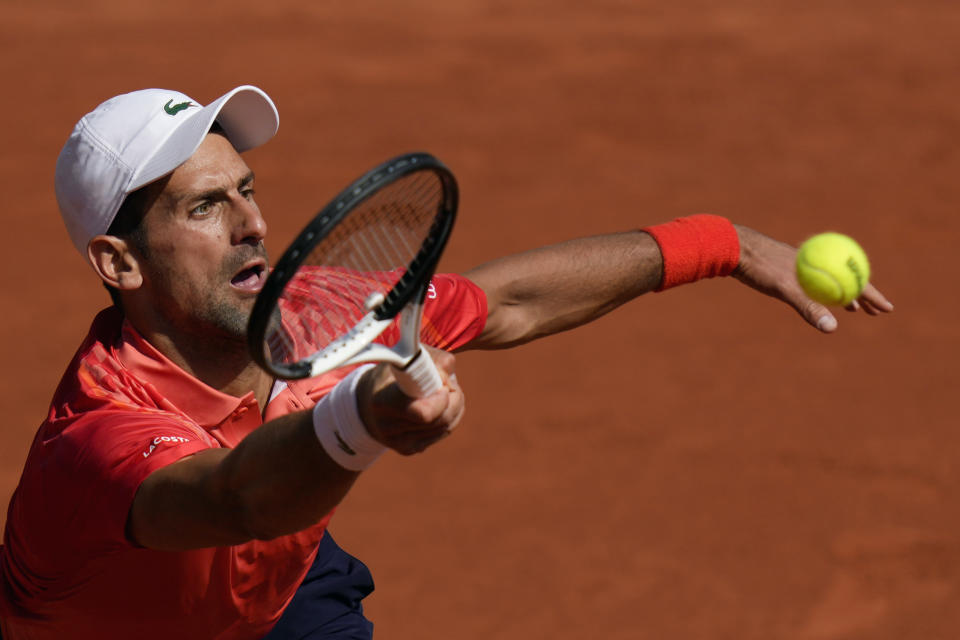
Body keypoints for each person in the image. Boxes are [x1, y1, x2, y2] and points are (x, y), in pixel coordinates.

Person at [0, 85, 892, 640]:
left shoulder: (315, 312)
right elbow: (234, 497)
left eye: (248, 190)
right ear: (119, 264)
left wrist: (721, 242)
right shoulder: (95, 437)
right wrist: (359, 425)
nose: (252, 224)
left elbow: (505, 302)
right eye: (203, 207)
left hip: (278, 607)